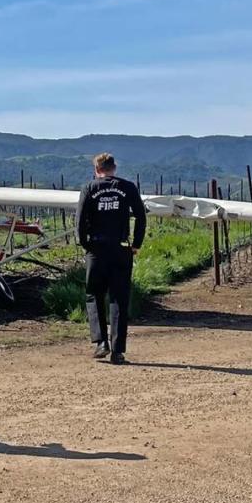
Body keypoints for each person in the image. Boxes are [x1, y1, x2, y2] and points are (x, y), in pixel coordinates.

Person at [77, 153, 146, 365]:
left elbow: (80, 220)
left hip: (97, 249)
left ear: (96, 169)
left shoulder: (89, 188)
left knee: (94, 295)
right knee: (119, 298)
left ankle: (100, 342)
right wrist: (136, 244)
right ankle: (118, 351)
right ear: (114, 168)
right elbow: (141, 216)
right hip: (121, 248)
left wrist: (86, 244)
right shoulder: (128, 187)